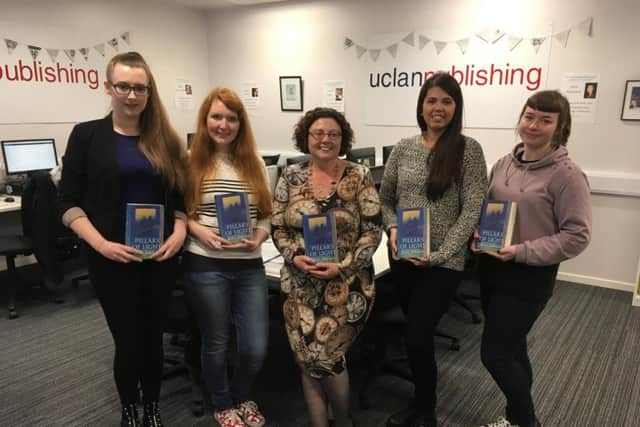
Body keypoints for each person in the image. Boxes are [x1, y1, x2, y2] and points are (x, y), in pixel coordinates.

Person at [58, 51, 188, 427]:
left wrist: (179, 232)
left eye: (140, 88)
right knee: (128, 340)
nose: (132, 95)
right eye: (124, 86)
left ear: (149, 92)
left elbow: (179, 199)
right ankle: (130, 408)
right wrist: (100, 244)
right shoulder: (87, 136)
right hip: (111, 257)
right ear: (108, 87)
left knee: (152, 339)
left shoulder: (164, 139)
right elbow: (67, 203)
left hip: (160, 257)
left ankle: (153, 408)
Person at [473, 90, 591, 427]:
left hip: (529, 275)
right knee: (512, 349)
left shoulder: (567, 175)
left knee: (494, 354)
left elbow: (577, 235)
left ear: (560, 126)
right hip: (492, 268)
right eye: (529, 116)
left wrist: (522, 251)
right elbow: (486, 209)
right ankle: (516, 418)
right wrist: (479, 231)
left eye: (545, 120)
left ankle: (525, 421)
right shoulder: (503, 164)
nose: (534, 125)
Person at [378, 72, 488, 427]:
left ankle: (426, 409)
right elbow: (386, 199)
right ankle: (422, 402)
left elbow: (472, 208)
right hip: (404, 257)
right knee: (415, 333)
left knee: (418, 334)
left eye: (447, 101)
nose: (438, 108)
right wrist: (393, 228)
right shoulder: (403, 147)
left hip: (442, 263)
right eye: (432, 100)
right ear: (421, 106)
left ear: (456, 107)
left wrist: (441, 255)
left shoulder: (468, 150)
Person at [271, 107, 383, 427]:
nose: (325, 139)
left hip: (345, 285)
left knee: (328, 357)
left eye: (333, 134)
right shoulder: (291, 177)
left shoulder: (358, 176)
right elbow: (279, 226)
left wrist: (344, 267)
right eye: (318, 133)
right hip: (300, 283)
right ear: (306, 137)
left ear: (342, 139)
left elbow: (372, 230)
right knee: (306, 360)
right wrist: (294, 256)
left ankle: (344, 420)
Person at [182, 87, 272, 427]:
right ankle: (223, 403)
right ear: (205, 121)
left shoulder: (255, 162)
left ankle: (242, 393)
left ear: (240, 123)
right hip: (205, 262)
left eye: (231, 118)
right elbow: (180, 214)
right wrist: (200, 231)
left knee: (255, 346)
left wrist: (259, 237)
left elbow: (266, 214)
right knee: (216, 341)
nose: (223, 124)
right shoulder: (190, 161)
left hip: (249, 264)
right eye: (216, 117)